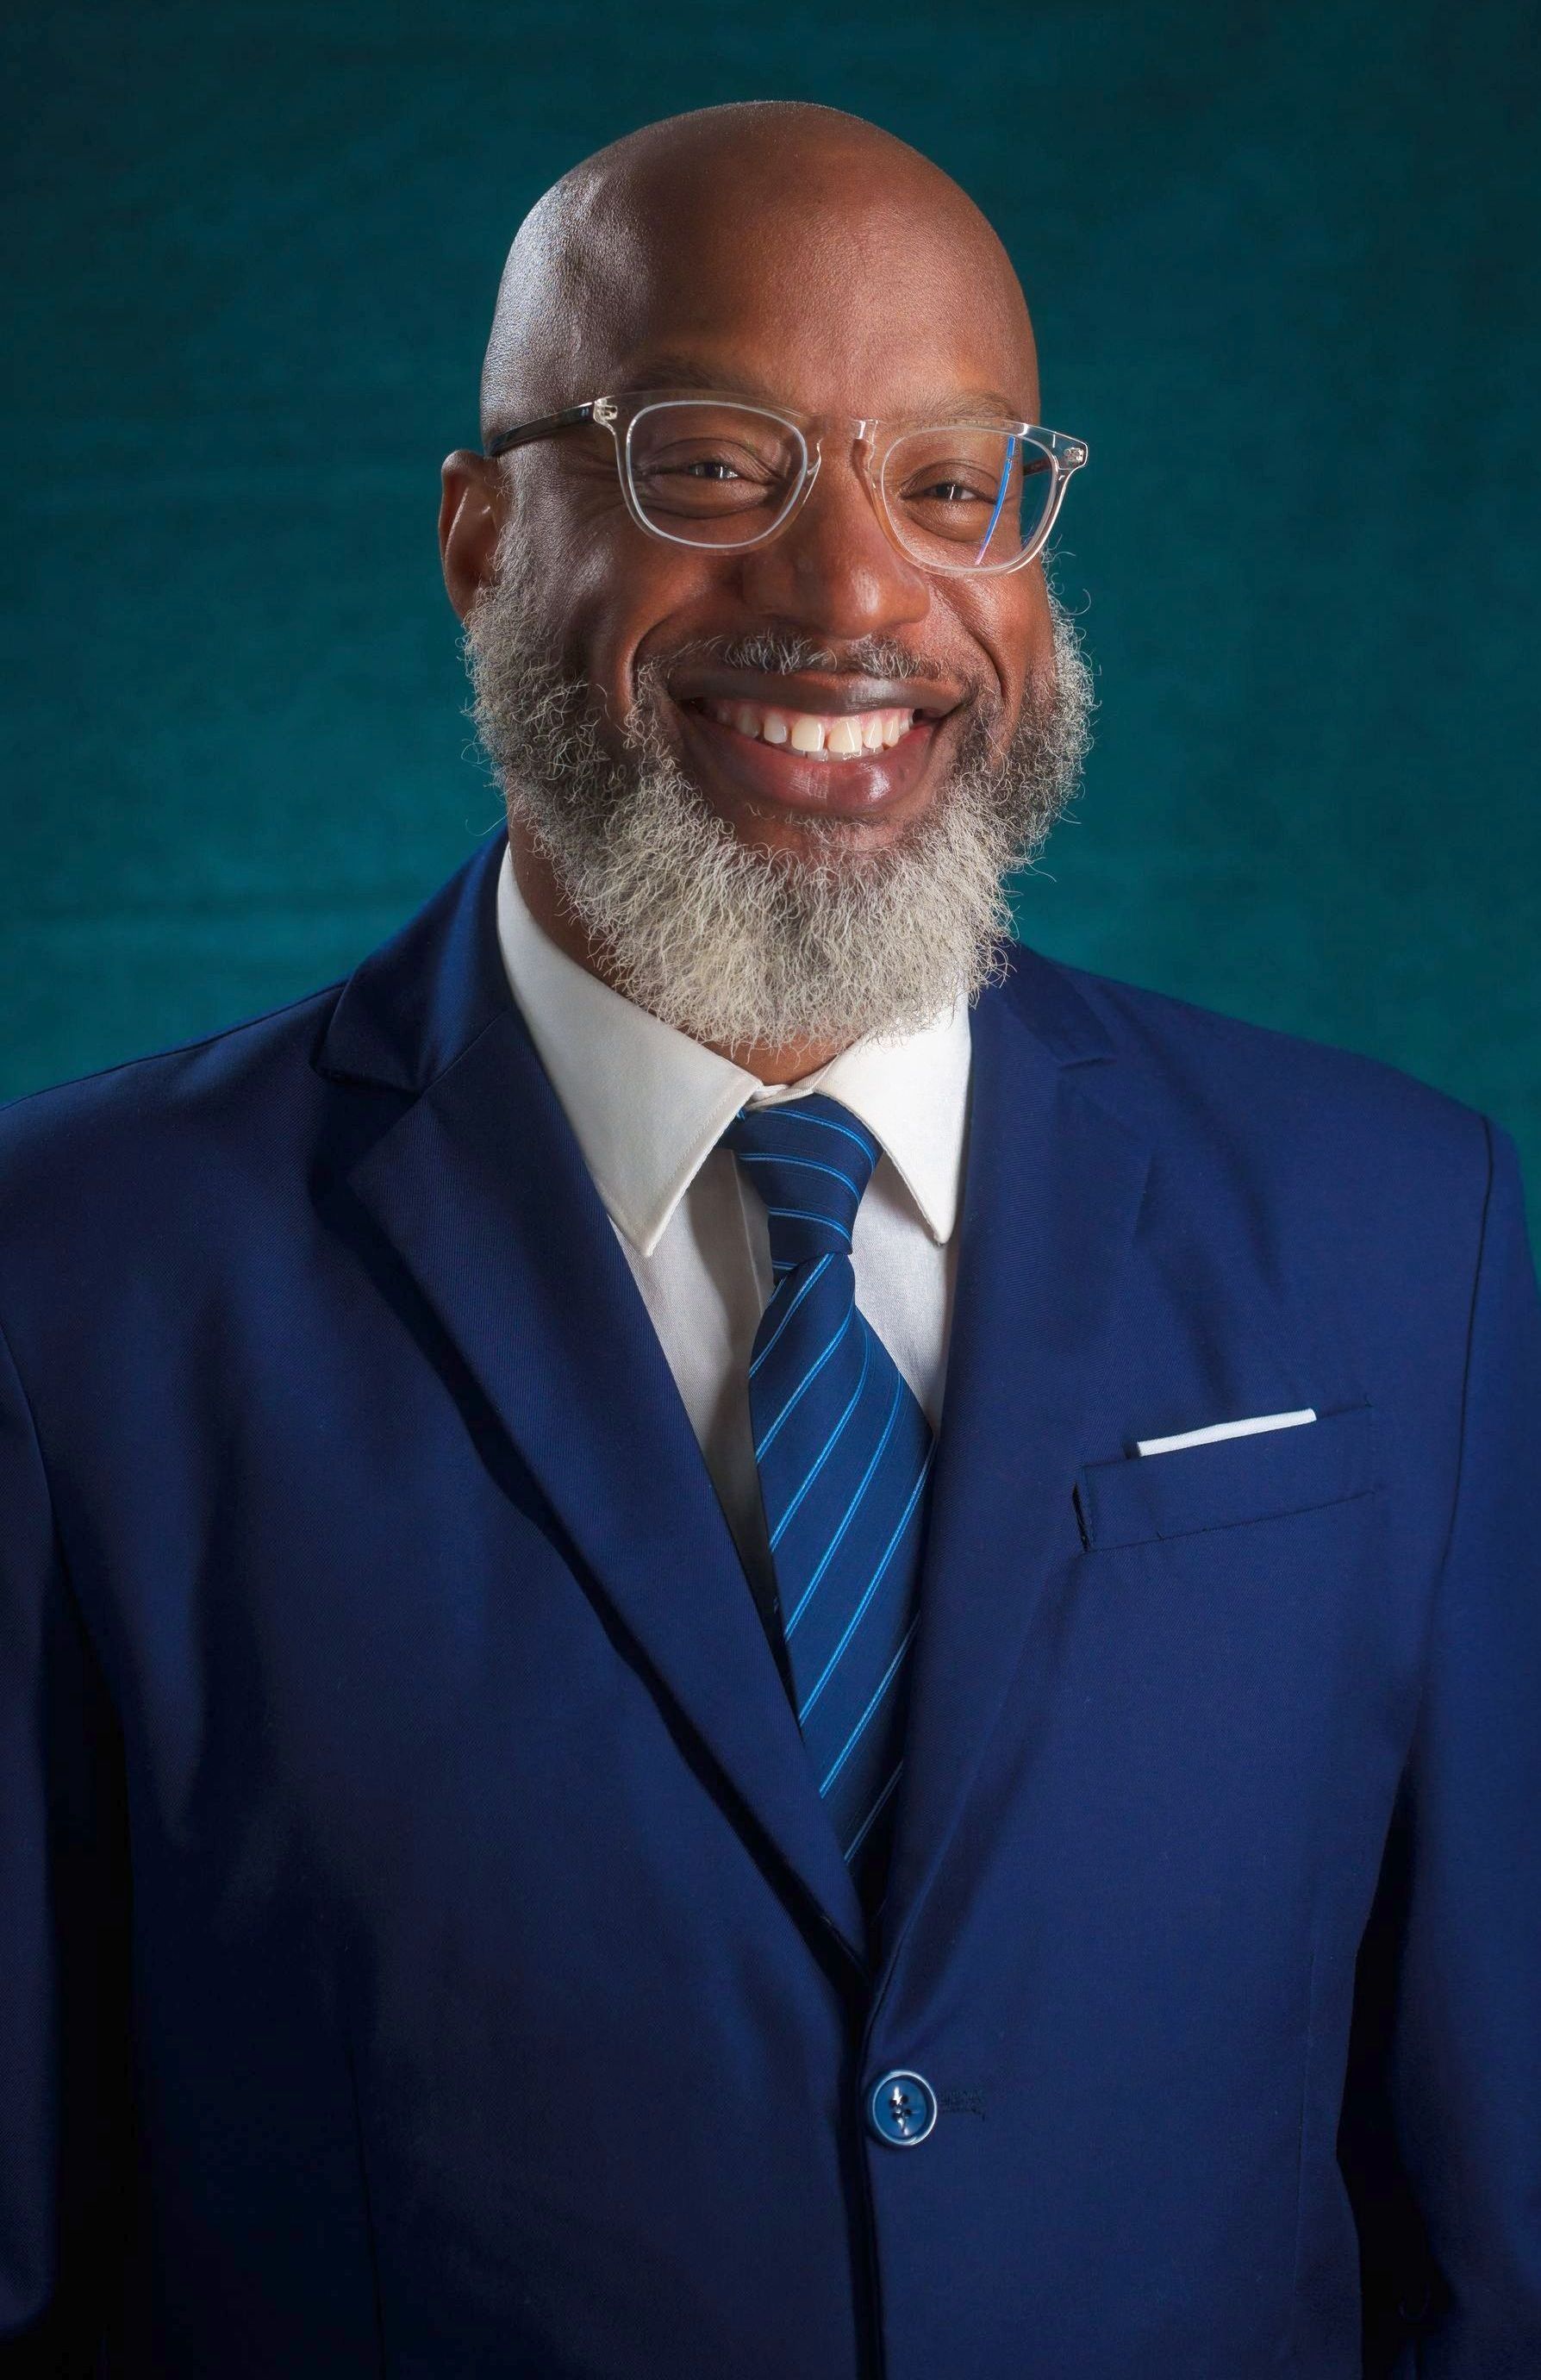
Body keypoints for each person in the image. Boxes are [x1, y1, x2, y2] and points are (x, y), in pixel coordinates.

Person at [1, 98, 1536, 2380]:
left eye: (949, 486)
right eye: (710, 468)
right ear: (478, 532)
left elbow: (1495, 2246)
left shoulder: (1405, 1232)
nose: (849, 601)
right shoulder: (76, 1281)